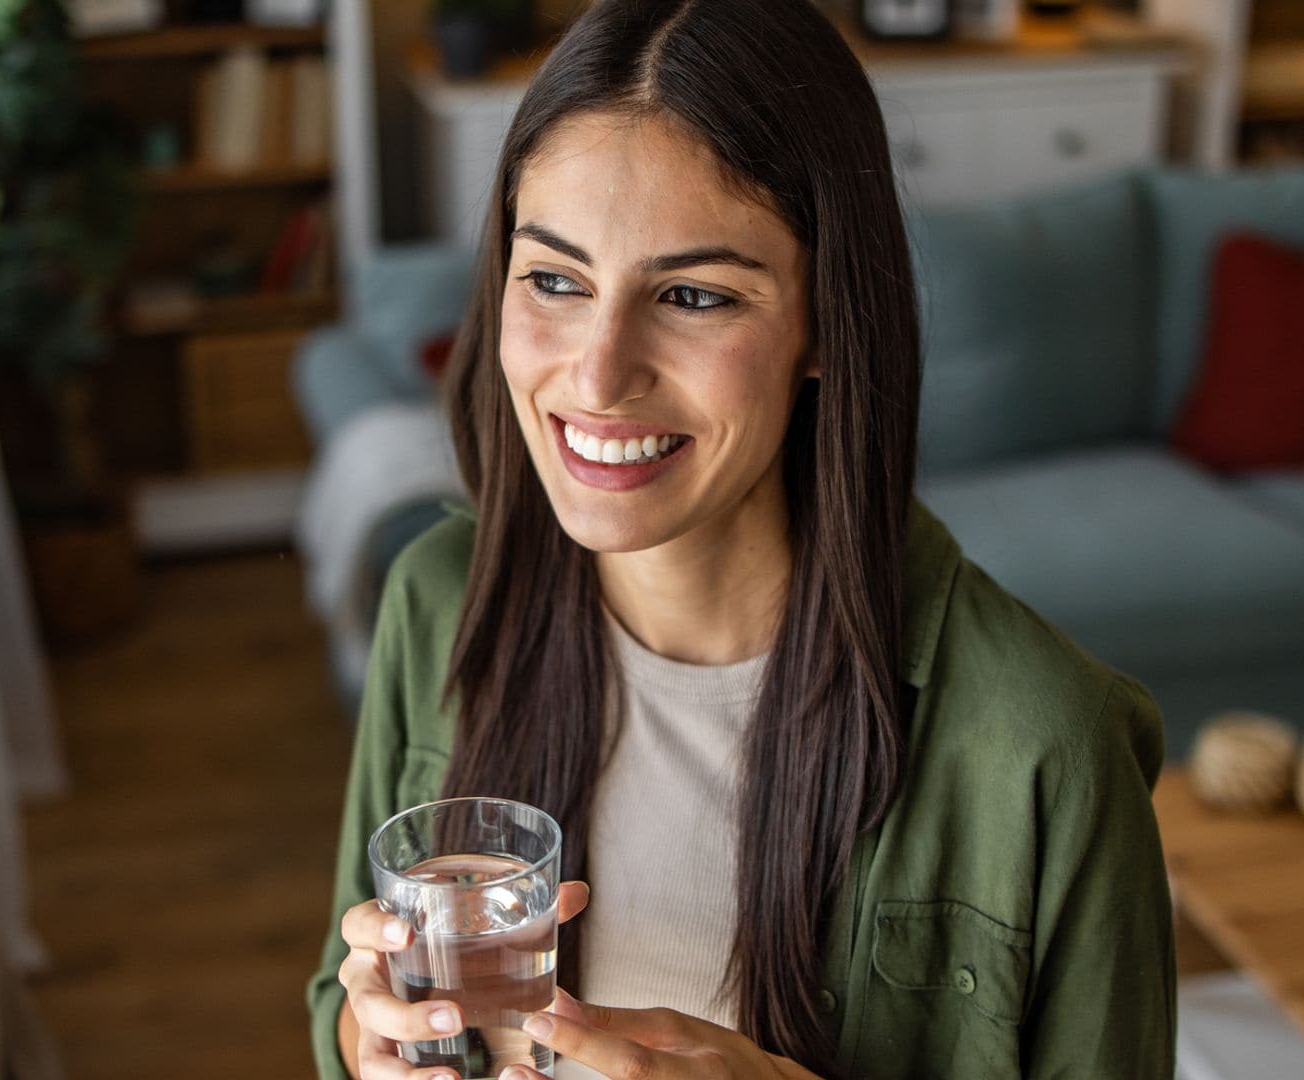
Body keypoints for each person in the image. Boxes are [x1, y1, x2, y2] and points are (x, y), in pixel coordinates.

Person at [306, 0, 1174, 1076]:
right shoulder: (438, 599)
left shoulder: (1047, 746)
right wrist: (369, 1038)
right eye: (555, 279)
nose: (597, 374)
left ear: (825, 322)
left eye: (695, 294)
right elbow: (343, 1008)